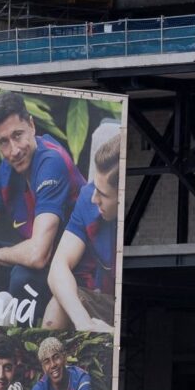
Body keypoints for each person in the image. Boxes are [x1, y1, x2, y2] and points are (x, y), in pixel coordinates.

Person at [0, 92, 83, 321]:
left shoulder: (51, 162)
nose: (14, 150)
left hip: (75, 270)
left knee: (21, 277)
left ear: (31, 125)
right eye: (4, 142)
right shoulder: (9, 167)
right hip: (41, 258)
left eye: (18, 135)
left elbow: (38, 254)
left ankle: (12, 332)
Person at [45, 121, 120, 335]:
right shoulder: (89, 197)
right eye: (95, 187)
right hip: (103, 300)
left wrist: (113, 333)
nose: (94, 198)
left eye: (104, 195)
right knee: (58, 304)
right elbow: (58, 267)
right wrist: (83, 323)